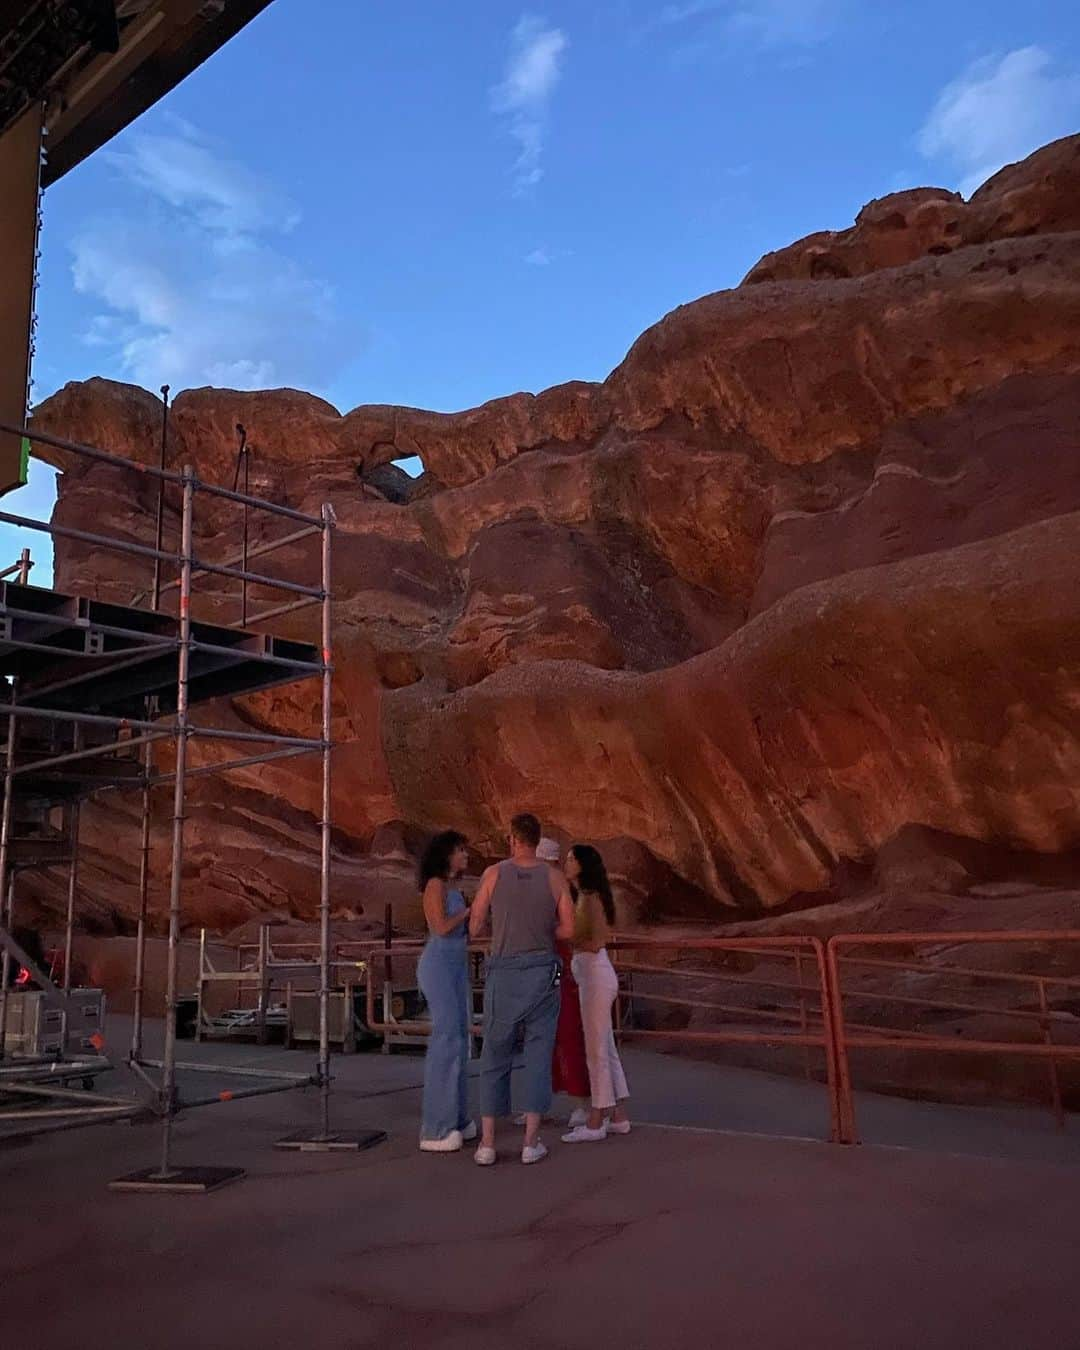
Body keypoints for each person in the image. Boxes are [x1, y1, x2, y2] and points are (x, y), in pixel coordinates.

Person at [468, 813, 575, 1166]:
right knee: (538, 1055)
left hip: (504, 972)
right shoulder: (555, 877)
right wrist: (542, 932)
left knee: (494, 1054)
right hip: (543, 972)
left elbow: (476, 923)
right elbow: (568, 930)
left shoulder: (494, 874)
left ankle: (487, 1143)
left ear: (513, 839)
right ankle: (531, 1142)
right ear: (536, 839)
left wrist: (500, 930)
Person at [560, 844, 631, 1143]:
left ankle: (596, 1118)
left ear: (583, 865)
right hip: (592, 973)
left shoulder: (589, 899)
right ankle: (618, 1116)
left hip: (593, 974)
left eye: (571, 859)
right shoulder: (586, 898)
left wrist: (561, 934)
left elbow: (591, 941)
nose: (566, 862)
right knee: (606, 1048)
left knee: (596, 1050)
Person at [416, 830, 476, 1152]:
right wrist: (468, 912)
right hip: (438, 965)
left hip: (455, 966)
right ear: (447, 855)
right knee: (447, 1037)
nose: (465, 855)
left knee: (460, 1038)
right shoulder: (435, 885)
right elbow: (440, 926)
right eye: (461, 850)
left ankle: (456, 1116)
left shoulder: (454, 888)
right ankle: (436, 1128)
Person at [538, 837, 590, 1127]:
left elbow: (569, 932)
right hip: (545, 967)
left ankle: (582, 1102)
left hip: (559, 969)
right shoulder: (547, 888)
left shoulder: (560, 890)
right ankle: (539, 1101)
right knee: (540, 1037)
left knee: (568, 1032)